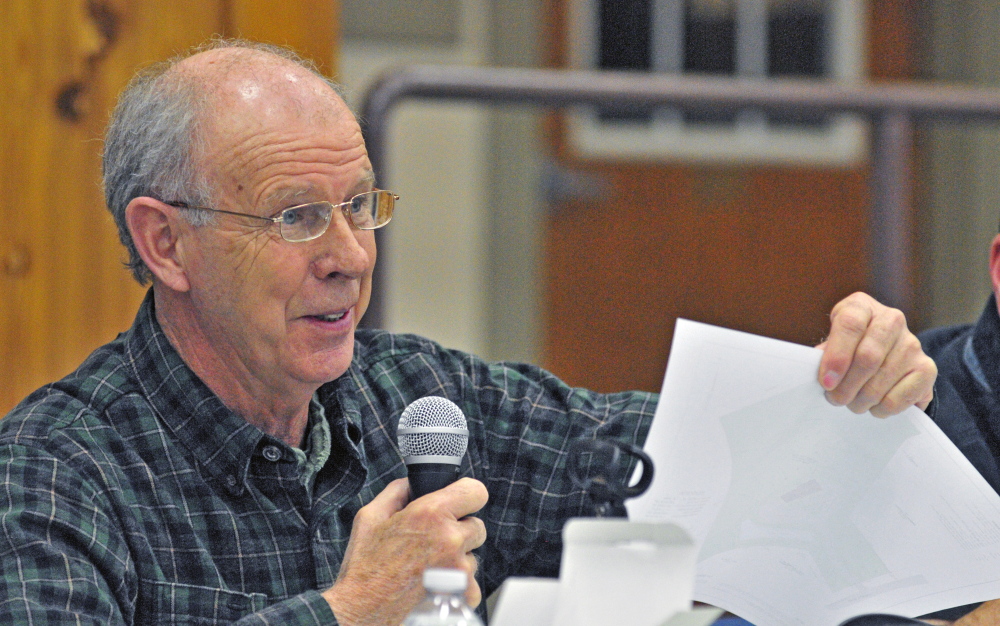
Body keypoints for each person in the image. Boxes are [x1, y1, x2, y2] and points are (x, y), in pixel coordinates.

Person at [0, 39, 937, 625]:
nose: (350, 257)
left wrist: (838, 389)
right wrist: (349, 612)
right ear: (166, 242)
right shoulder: (59, 468)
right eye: (295, 218)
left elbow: (657, 459)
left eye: (362, 207)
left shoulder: (418, 404)